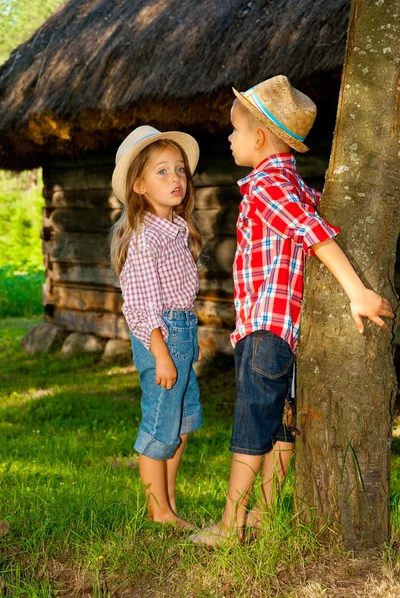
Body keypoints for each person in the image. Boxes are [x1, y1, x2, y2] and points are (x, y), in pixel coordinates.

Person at [189, 75, 394, 545]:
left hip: (264, 326)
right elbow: (320, 220)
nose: (229, 137)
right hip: (286, 331)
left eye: (235, 130)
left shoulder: (267, 187)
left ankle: (231, 524)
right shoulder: (293, 182)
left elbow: (316, 235)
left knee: (251, 422)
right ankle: (262, 514)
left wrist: (357, 291)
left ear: (259, 138)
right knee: (281, 421)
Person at [110, 125, 203, 528]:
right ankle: (157, 511)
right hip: (160, 336)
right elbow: (141, 305)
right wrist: (162, 354)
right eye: (162, 172)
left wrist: (186, 343)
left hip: (180, 333)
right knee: (161, 425)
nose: (176, 179)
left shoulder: (175, 231)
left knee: (182, 422)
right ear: (139, 186)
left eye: (179, 170)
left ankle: (168, 500)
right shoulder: (146, 236)